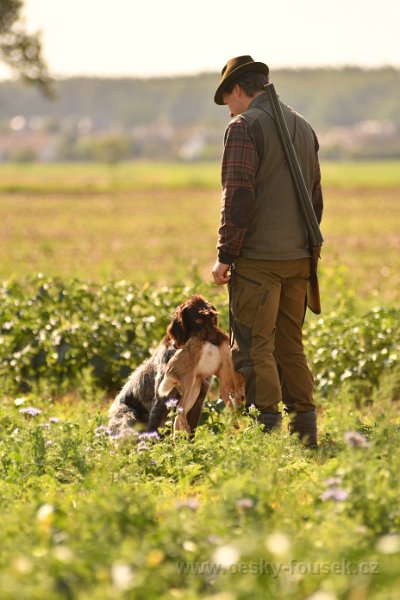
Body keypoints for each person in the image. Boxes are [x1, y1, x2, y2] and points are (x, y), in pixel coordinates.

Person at [211, 56, 323, 447]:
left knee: (255, 346)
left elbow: (237, 196)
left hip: (259, 261)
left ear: (238, 90)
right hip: (299, 258)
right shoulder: (303, 126)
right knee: (290, 345)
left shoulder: (243, 127)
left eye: (228, 99)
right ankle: (305, 432)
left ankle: (267, 437)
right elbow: (315, 200)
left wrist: (225, 254)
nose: (229, 108)